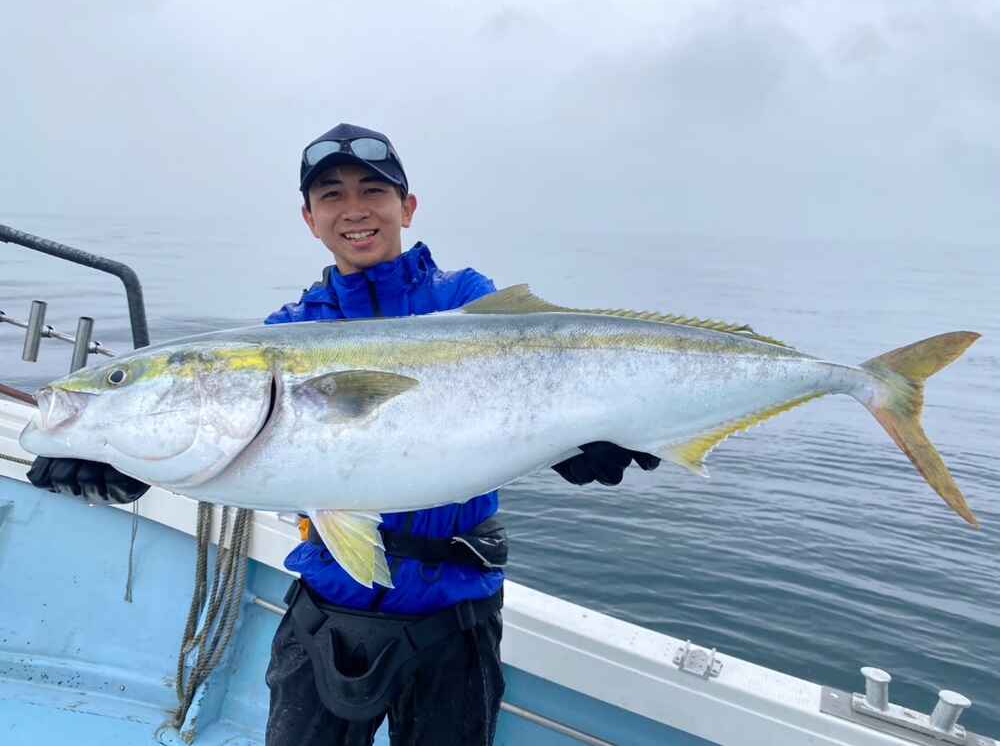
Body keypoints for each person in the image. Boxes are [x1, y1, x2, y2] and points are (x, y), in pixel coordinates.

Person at [26, 122, 661, 746]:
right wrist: (121, 461)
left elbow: (531, 393)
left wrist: (585, 437)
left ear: (407, 207)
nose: (354, 210)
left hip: (457, 606)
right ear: (310, 219)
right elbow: (241, 445)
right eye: (331, 195)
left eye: (373, 191)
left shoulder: (466, 301)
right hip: (328, 603)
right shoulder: (287, 331)